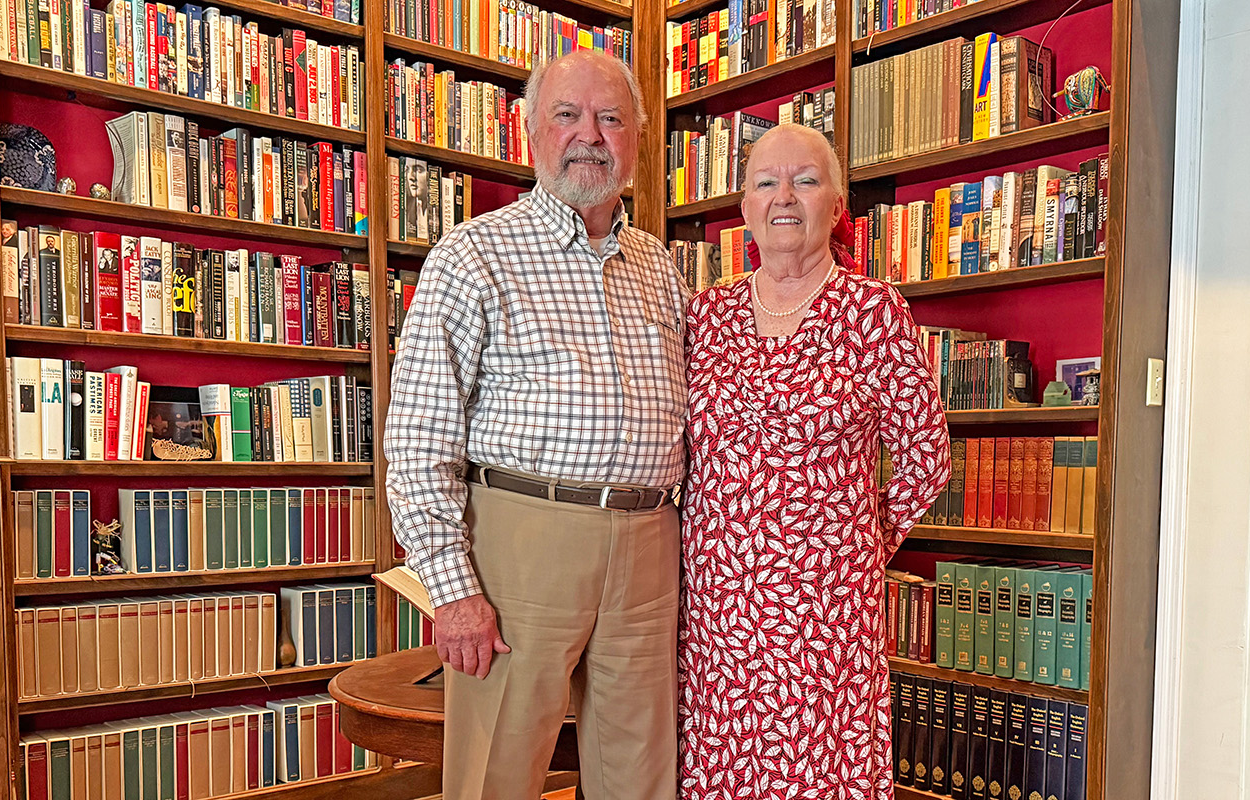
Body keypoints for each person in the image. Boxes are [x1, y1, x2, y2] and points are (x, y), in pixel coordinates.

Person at [383, 49, 686, 800]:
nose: (591, 134)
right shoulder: (473, 254)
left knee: (642, 779)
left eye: (612, 118)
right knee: (499, 774)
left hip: (650, 549)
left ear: (639, 139)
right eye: (569, 114)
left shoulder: (662, 268)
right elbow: (419, 437)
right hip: (522, 546)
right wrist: (453, 590)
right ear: (529, 132)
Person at [678, 123, 951, 798]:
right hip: (717, 617)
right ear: (743, 208)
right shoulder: (704, 316)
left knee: (821, 774)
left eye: (805, 180)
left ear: (835, 206)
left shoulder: (875, 313)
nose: (784, 198)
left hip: (827, 616)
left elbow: (925, 457)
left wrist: (852, 544)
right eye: (766, 182)